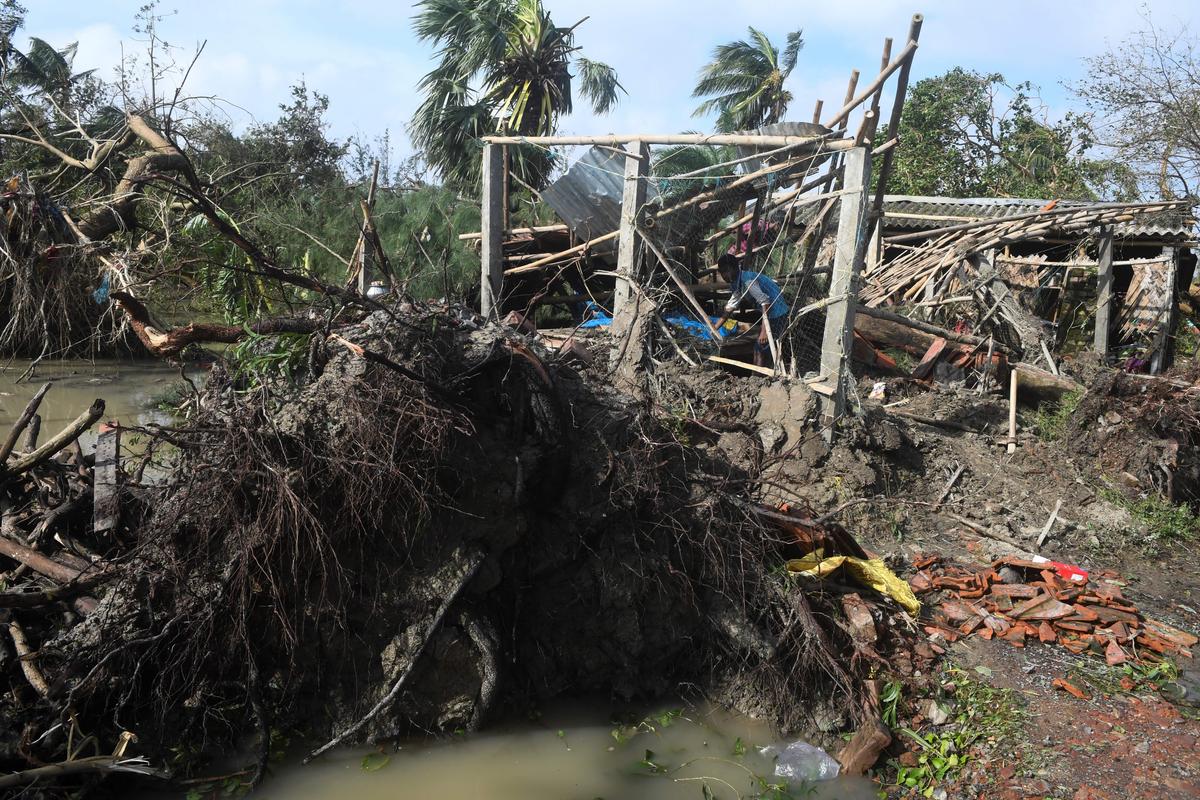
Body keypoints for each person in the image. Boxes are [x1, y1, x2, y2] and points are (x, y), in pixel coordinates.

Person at [713, 253, 788, 367]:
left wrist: (764, 331)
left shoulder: (747, 281)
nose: (724, 275)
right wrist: (714, 329)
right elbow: (730, 308)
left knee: (761, 346)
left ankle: (760, 377)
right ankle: (761, 374)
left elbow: (766, 303)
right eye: (721, 272)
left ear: (733, 269)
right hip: (771, 313)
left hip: (777, 312)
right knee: (762, 347)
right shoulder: (736, 282)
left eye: (725, 271)